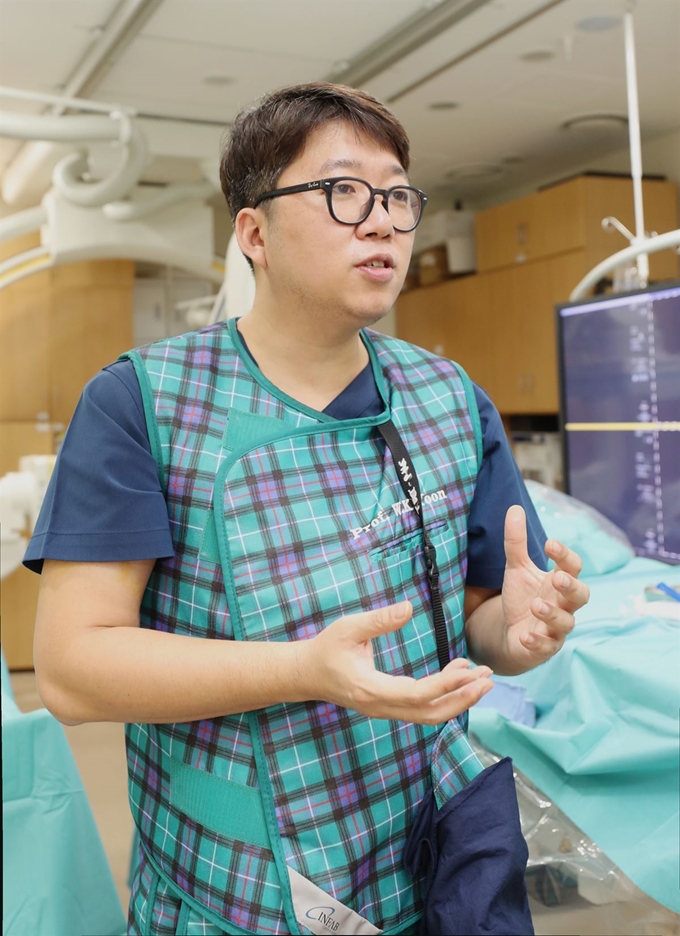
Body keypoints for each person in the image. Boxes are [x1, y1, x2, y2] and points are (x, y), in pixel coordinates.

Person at [27, 83, 589, 935]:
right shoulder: (143, 403)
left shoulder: (447, 397)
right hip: (237, 880)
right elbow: (70, 668)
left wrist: (516, 630)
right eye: (342, 191)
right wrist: (301, 670)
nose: (382, 222)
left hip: (418, 849)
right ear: (254, 232)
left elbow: (477, 623)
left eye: (398, 196)